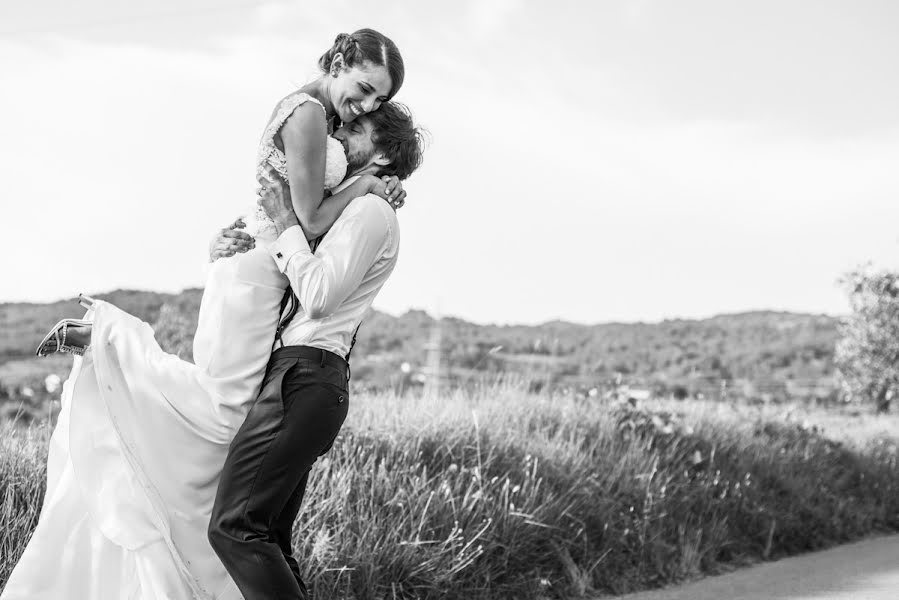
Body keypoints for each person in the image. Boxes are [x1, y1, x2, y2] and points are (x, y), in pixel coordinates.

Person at [2, 30, 422, 600]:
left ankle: (106, 344)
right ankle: (107, 340)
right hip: (261, 273)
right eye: (366, 90)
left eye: (377, 102)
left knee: (222, 421)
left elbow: (299, 226)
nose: (368, 106)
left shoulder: (319, 123)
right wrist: (369, 184)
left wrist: (364, 185)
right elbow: (310, 220)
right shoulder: (307, 118)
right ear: (340, 61)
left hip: (259, 272)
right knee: (221, 416)